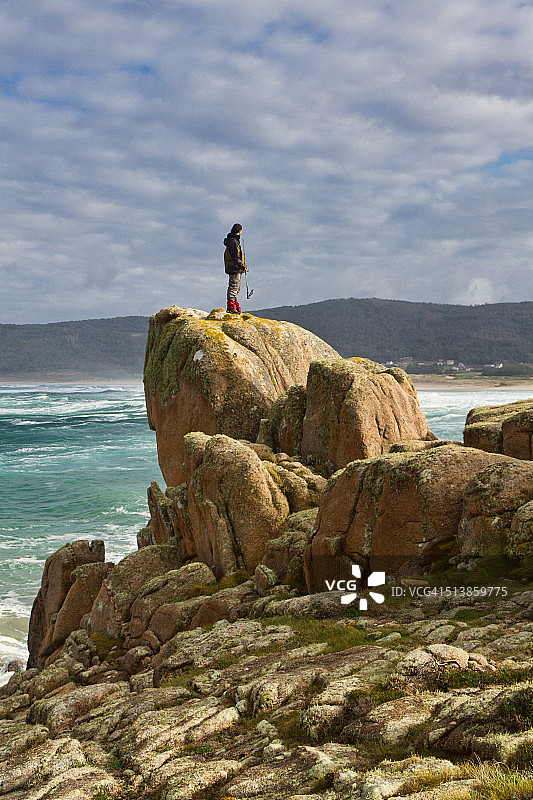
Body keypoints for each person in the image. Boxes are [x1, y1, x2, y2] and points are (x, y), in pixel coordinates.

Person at [223, 223, 248, 314]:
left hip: (234, 268)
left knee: (236, 288)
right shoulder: (234, 242)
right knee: (234, 287)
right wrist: (243, 266)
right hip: (235, 268)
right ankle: (231, 307)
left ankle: (235, 305)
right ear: (240, 231)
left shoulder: (232, 241)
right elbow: (236, 258)